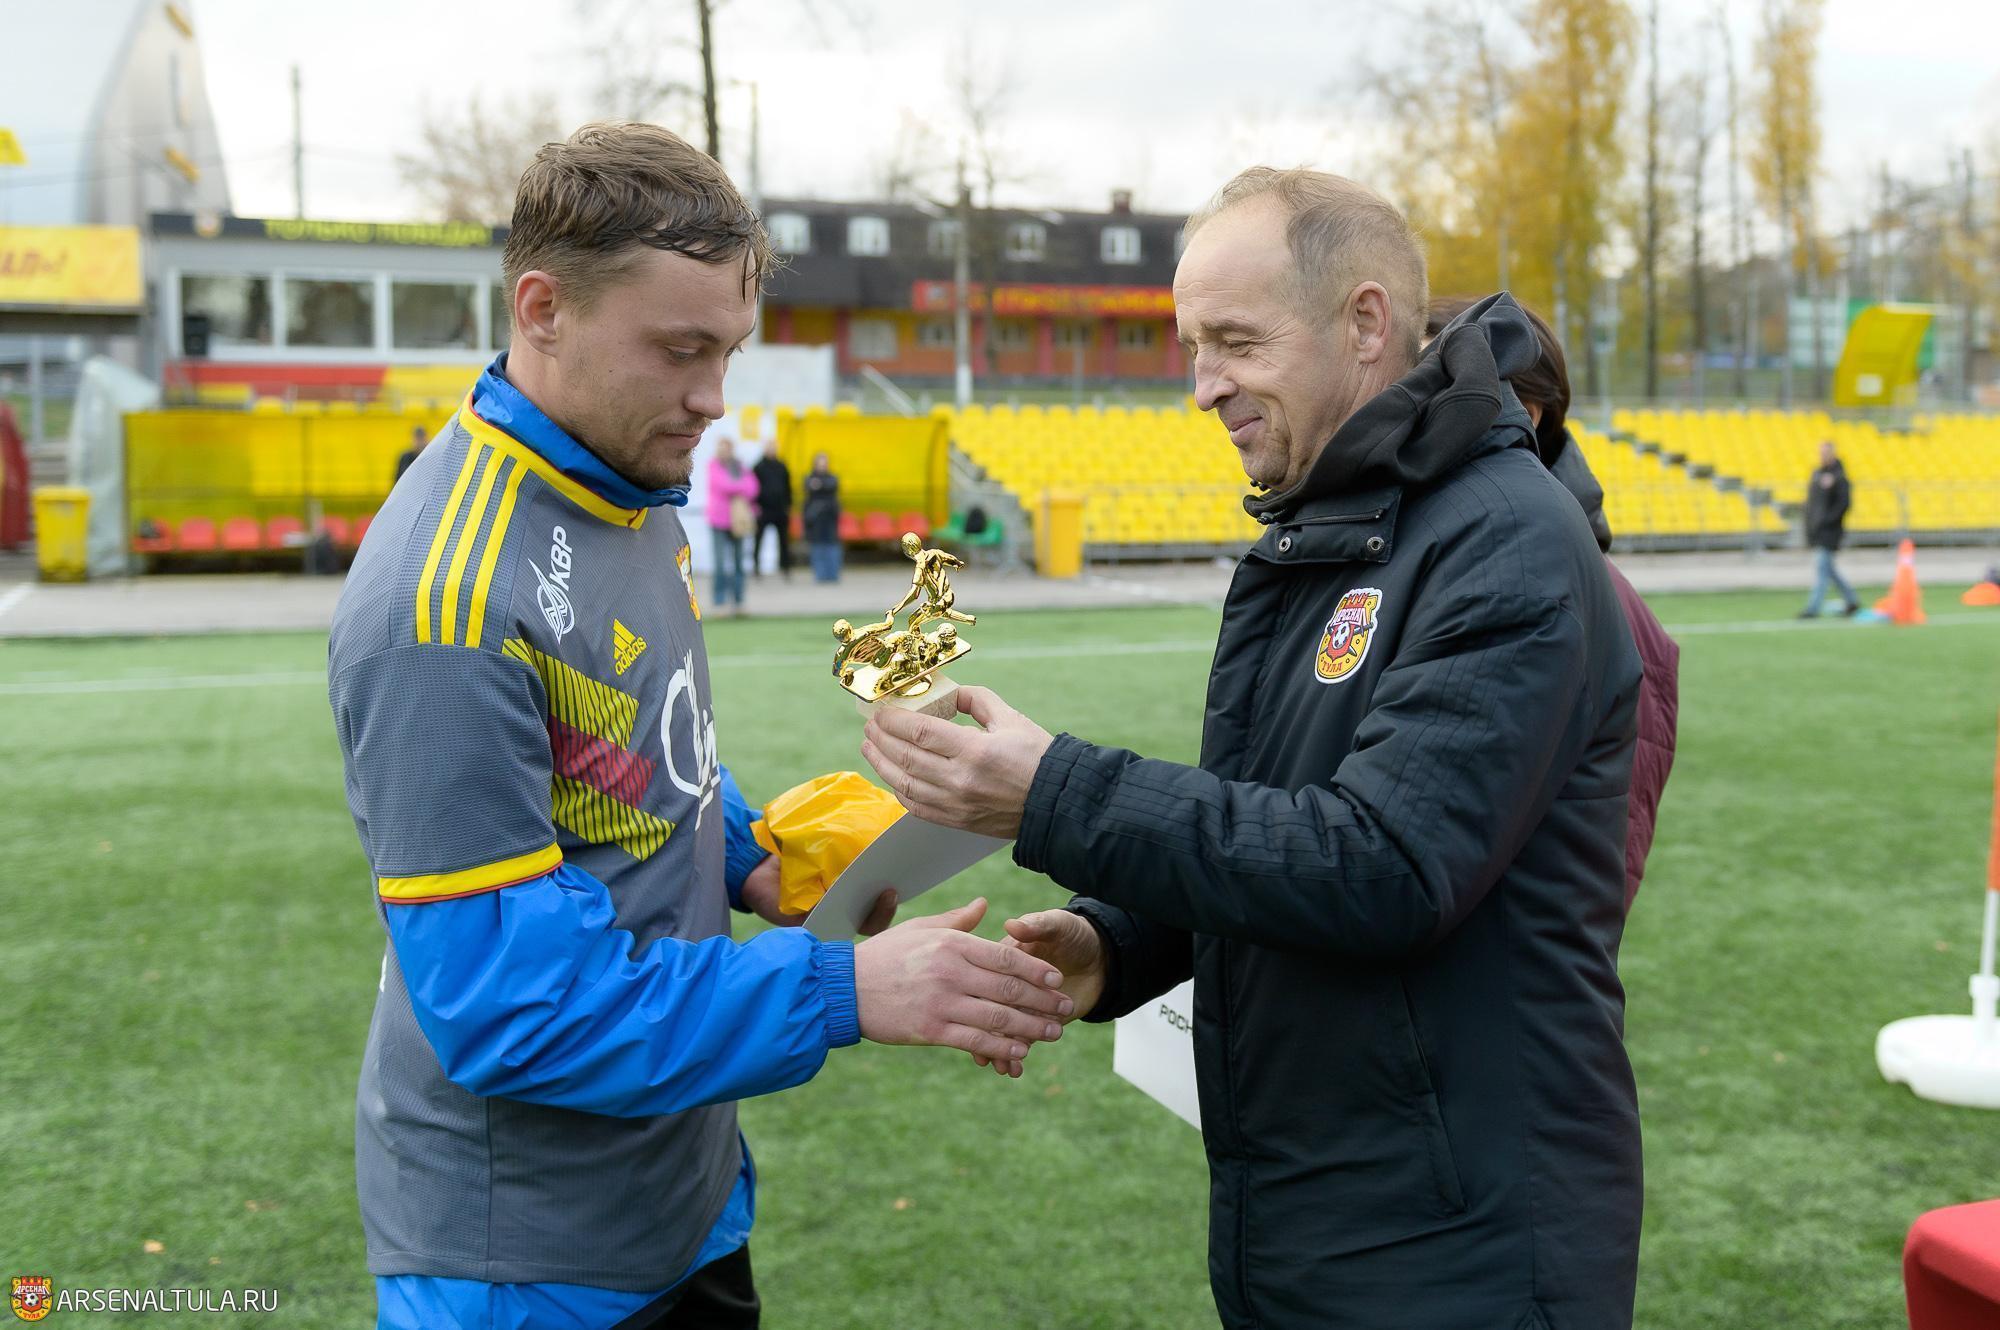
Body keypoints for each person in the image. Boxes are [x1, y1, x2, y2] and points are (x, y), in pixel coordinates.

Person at [860, 169, 1645, 1329]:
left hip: (1459, 1241)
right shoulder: (1331, 532)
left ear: (1363, 323)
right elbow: (1272, 821)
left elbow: (1381, 867)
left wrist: (1049, 791)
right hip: (1323, 1210)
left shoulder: (1500, 541)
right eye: (1193, 347)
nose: (1202, 387)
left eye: (1233, 341)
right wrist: (1113, 946)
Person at [326, 122, 1072, 1330]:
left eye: (728, 350)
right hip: (528, 1267)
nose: (713, 400)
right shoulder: (443, 604)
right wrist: (842, 988)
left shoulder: (628, 481)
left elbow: (628, 757)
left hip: (684, 1199)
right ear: (541, 309)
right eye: (679, 351)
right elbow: (512, 1008)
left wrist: (752, 855)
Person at [1427, 296, 1678, 910]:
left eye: (1431, 389)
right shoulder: (1436, 558)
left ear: (1525, 413)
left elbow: (1594, 875)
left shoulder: (1588, 596)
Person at [1801, 440, 1859, 617]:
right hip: (1818, 530)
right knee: (1829, 570)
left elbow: (1844, 504)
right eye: (1821, 452)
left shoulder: (1839, 477)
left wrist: (1827, 521)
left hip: (1830, 531)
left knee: (1822, 571)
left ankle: (1812, 609)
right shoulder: (1817, 474)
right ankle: (1851, 600)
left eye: (1825, 452)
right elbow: (1812, 503)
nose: (1822, 456)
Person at [705, 436, 758, 615]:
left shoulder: (740, 466)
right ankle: (719, 602)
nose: (724, 452)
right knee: (720, 564)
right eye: (721, 448)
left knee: (739, 563)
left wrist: (737, 486)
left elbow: (753, 488)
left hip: (738, 523)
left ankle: (739, 601)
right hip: (718, 521)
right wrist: (740, 486)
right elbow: (723, 486)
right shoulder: (713, 466)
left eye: (727, 448)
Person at [750, 445, 791, 579]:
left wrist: (788, 505)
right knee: (758, 540)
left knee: (783, 541)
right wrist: (756, 505)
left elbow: (788, 486)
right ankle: (756, 567)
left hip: (780, 509)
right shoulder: (758, 467)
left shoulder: (782, 466)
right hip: (764, 509)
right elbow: (753, 487)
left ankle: (785, 567)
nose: (772, 451)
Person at [801, 451, 842, 583]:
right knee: (817, 546)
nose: (822, 466)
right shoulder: (809, 477)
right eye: (820, 463)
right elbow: (809, 486)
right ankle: (820, 575)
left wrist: (819, 485)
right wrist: (822, 486)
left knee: (831, 545)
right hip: (815, 517)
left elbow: (832, 485)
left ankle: (832, 574)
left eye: (824, 464)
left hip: (830, 517)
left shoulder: (832, 477)